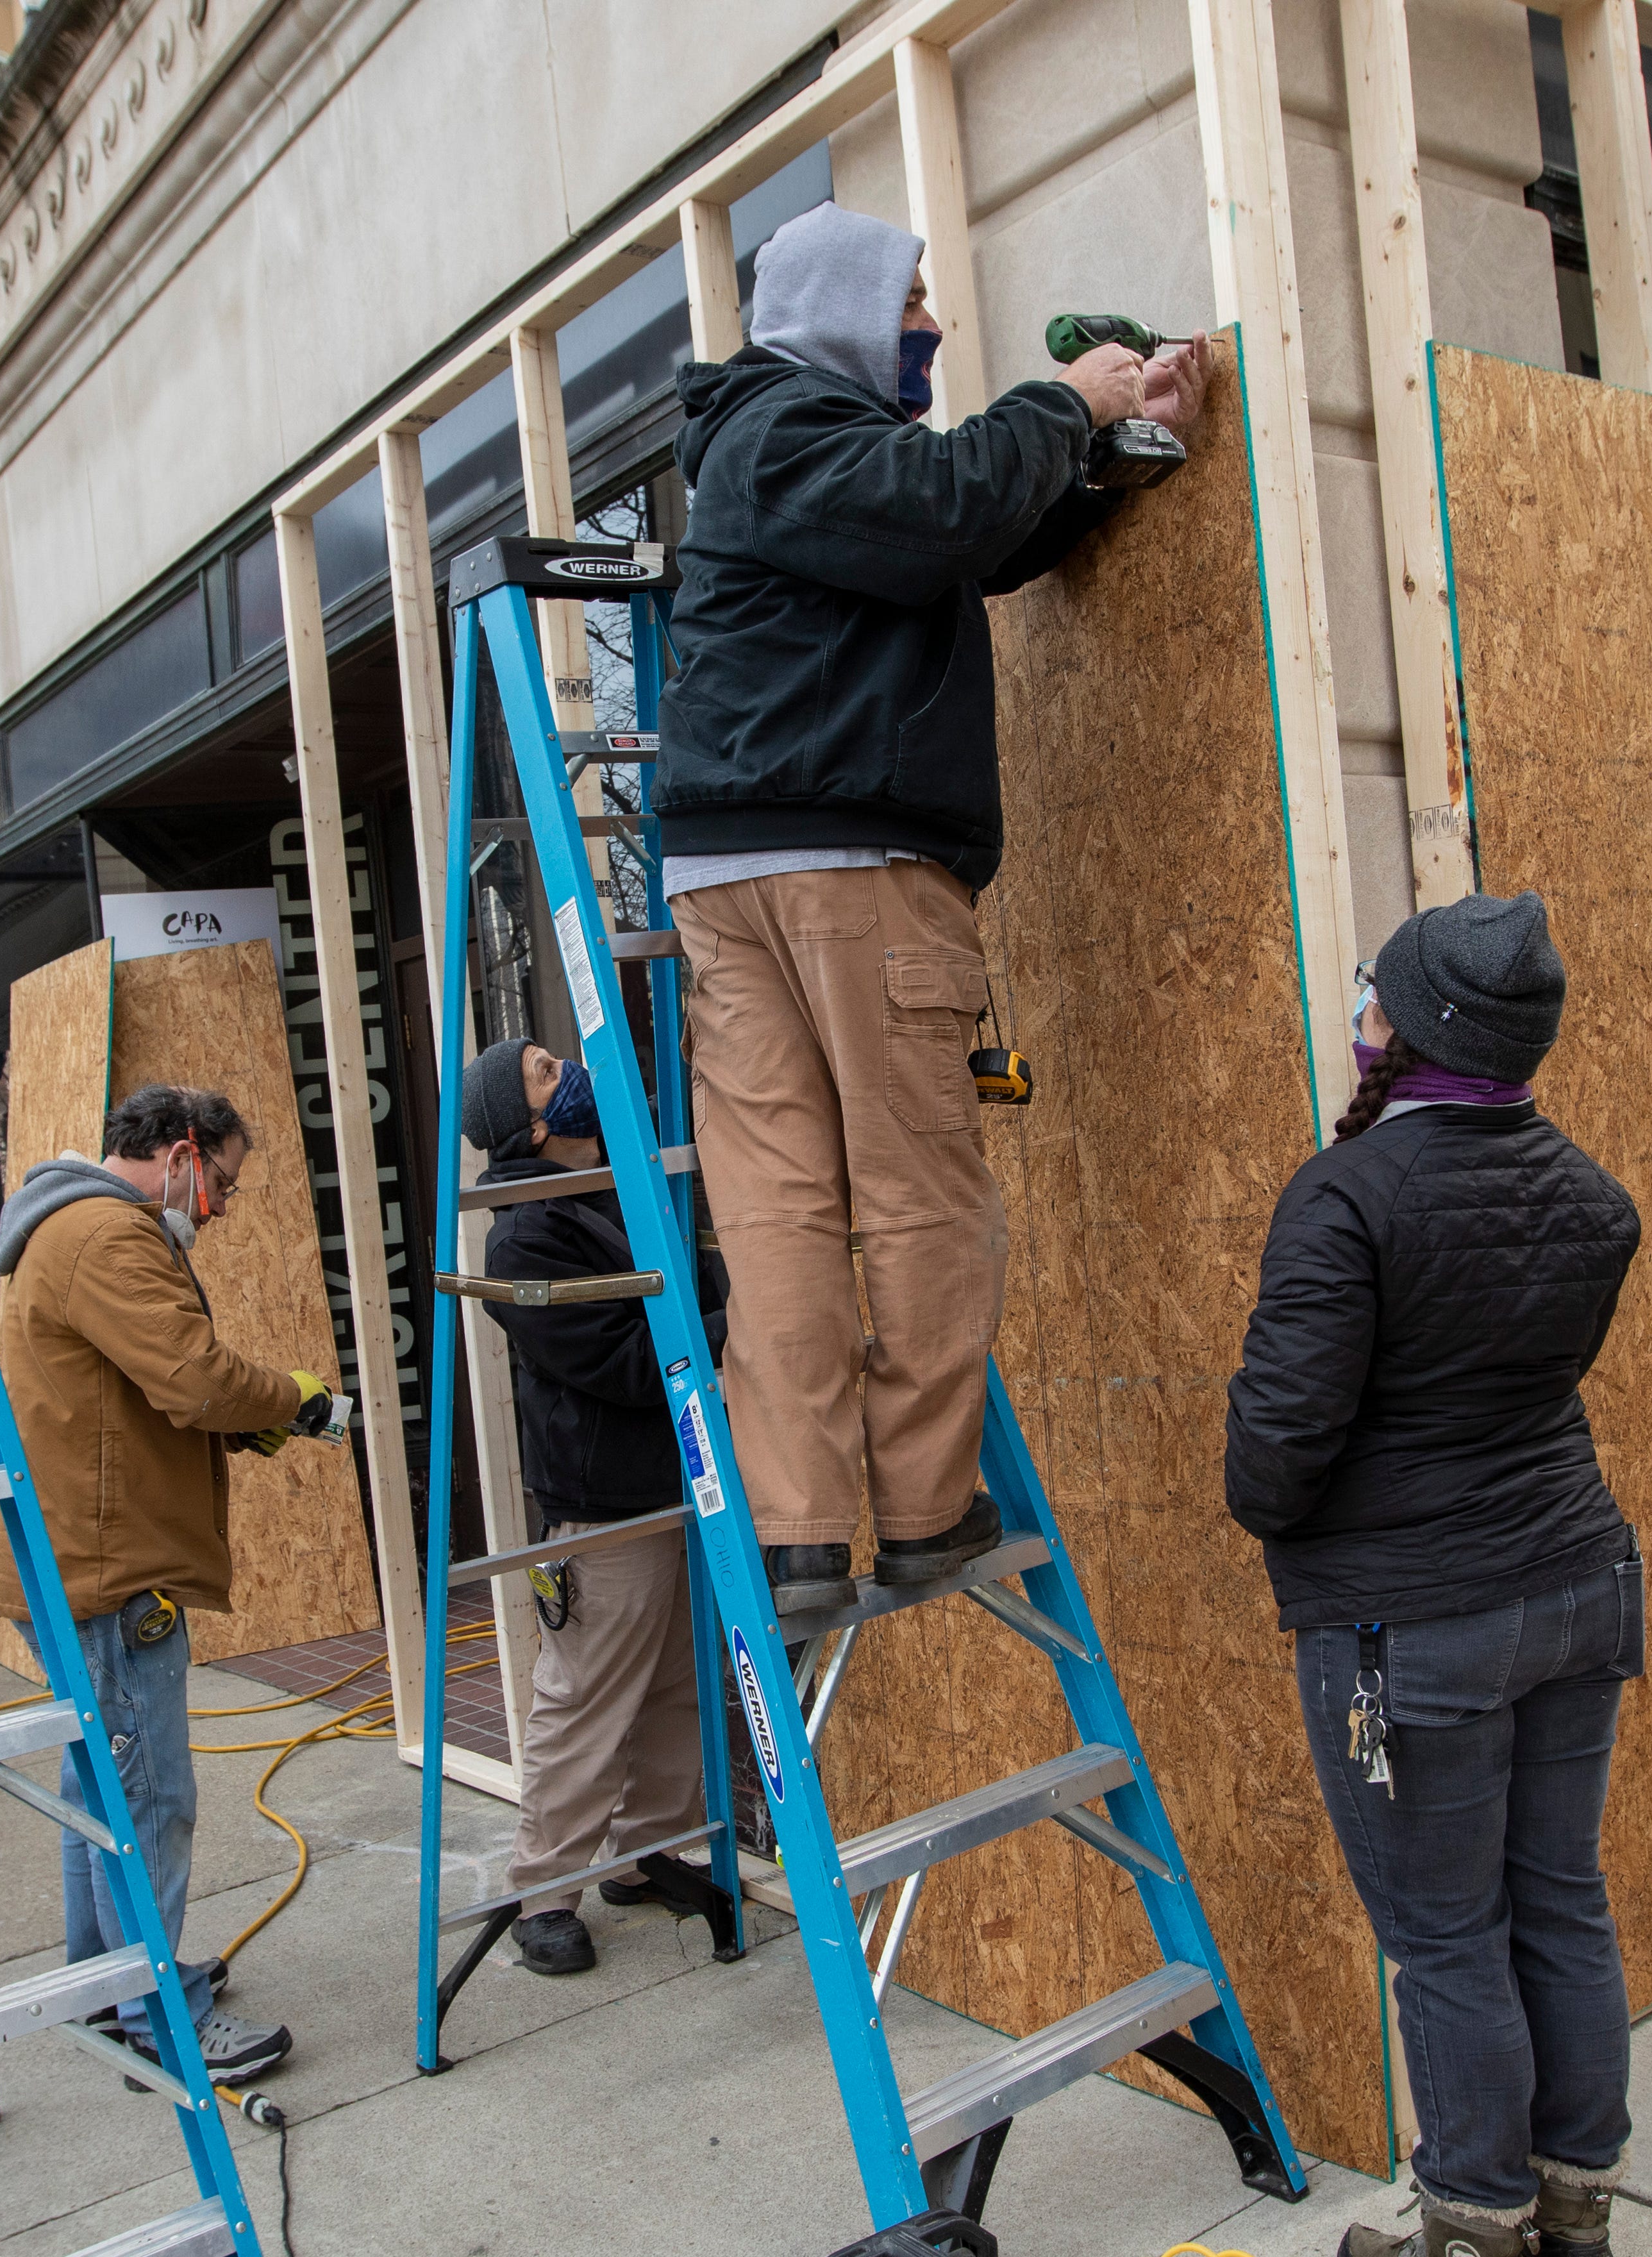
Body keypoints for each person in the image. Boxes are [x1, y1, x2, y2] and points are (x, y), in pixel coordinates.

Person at [656, 201, 1208, 1617]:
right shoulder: (794, 431)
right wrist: (1062, 399)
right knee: (918, 1197)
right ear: (842, 310)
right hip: (851, 869)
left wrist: (1111, 452)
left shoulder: (782, 453)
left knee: (777, 1209)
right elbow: (951, 508)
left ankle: (793, 1530)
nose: (933, 325)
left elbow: (972, 537)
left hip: (733, 881)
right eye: (910, 302)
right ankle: (919, 1513)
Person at [1221, 891, 1646, 2257]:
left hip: (1413, 1632)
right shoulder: (1592, 1197)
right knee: (1558, 1903)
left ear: (1406, 1033)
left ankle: (1471, 2239)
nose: (1357, 1017)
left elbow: (1273, 1468)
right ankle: (1572, 2217)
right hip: (1576, 1591)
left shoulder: (1347, 1198)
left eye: (1370, 1000)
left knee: (1448, 1938)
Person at [0, 1082, 342, 2084]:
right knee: (147, 1795)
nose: (216, 1208)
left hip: (79, 1555)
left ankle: (107, 1984)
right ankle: (157, 2017)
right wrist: (292, 1398)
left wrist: (243, 1417)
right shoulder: (109, 1235)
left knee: (100, 1782)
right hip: (105, 1565)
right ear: (179, 1152)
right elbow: (191, 1377)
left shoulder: (71, 1227)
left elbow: (141, 1390)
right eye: (217, 1182)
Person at [455, 1036, 726, 1974]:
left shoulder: (609, 1183)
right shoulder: (522, 1233)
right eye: (541, 1067)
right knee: (584, 1702)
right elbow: (619, 1360)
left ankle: (646, 1854)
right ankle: (543, 1891)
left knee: (674, 1688)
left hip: (677, 1479)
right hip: (602, 1504)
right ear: (526, 1125)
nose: (564, 1064)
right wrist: (736, 1329)